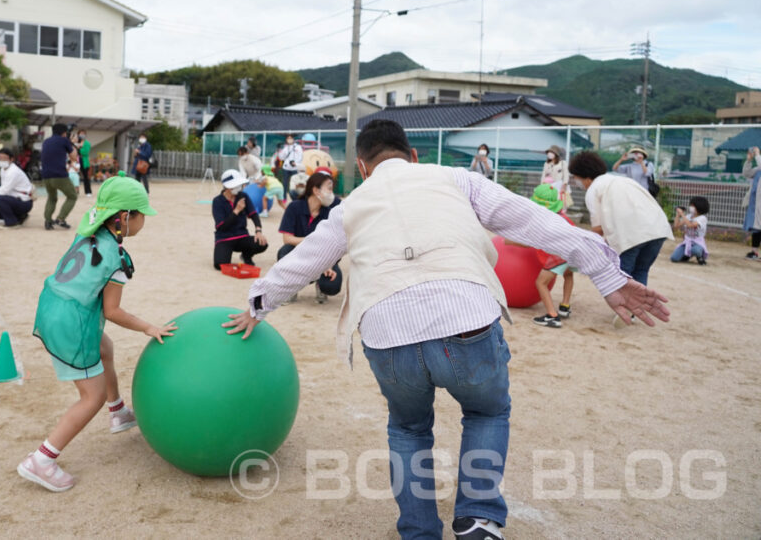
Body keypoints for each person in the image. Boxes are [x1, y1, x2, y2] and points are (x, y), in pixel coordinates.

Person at [223, 119, 670, 539]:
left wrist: (257, 306)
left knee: (408, 428)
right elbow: (535, 220)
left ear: (361, 166)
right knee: (487, 411)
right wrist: (607, 275)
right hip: (465, 317)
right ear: (414, 155)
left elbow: (304, 262)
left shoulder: (351, 206)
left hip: (386, 328)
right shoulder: (457, 178)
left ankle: (418, 531)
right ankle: (478, 517)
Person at [18, 175, 176, 493]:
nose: (145, 219)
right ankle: (42, 460)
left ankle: (117, 412)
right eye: (141, 213)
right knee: (92, 397)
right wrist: (149, 327)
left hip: (52, 307)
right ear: (125, 218)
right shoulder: (117, 259)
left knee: (105, 347)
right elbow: (112, 311)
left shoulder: (89, 229)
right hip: (71, 322)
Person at [569, 150, 672, 285]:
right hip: (658, 229)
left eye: (576, 178)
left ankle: (631, 306)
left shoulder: (594, 189)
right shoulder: (623, 180)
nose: (576, 182)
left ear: (586, 177)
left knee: (622, 278)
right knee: (640, 271)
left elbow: (598, 230)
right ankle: (639, 306)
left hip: (632, 235)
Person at [277, 170, 342, 304]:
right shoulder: (294, 207)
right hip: (299, 253)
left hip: (323, 254)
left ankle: (320, 285)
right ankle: (291, 287)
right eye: (329, 189)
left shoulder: (330, 212)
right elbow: (287, 239)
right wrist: (311, 241)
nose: (332, 194)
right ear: (316, 191)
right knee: (284, 252)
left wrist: (327, 264)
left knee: (332, 285)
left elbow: (333, 244)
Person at [525, 185, 577, 328]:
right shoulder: (564, 218)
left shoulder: (543, 222)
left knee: (541, 283)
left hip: (558, 257)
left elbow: (528, 241)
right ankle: (565, 307)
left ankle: (552, 316)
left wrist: (508, 241)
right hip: (572, 253)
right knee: (568, 275)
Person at [212, 169, 268, 270]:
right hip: (224, 238)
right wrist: (236, 210)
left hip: (242, 236)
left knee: (262, 243)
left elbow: (254, 214)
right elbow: (222, 227)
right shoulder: (217, 201)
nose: (240, 187)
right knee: (220, 265)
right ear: (228, 187)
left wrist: (258, 231)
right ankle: (225, 253)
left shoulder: (243, 196)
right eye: (237, 185)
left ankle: (246, 256)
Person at [41, 123, 78, 231]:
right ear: (64, 132)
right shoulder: (64, 141)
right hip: (59, 175)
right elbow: (74, 157)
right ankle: (60, 219)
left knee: (52, 198)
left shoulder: (46, 141)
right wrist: (72, 144)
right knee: (72, 196)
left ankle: (48, 221)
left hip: (46, 175)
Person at [0, 147, 34, 229]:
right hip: (15, 198)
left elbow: (4, 190)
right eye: (0, 158)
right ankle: (20, 217)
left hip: (24, 201)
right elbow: (5, 188)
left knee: (0, 198)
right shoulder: (3, 170)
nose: (2, 161)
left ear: (11, 159)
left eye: (4, 159)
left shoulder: (13, 171)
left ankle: (12, 223)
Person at [670, 196, 710, 265]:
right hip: (687, 241)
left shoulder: (702, 218)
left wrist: (682, 214)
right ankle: (686, 255)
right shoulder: (689, 216)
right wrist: (678, 214)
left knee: (696, 250)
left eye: (693, 206)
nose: (691, 207)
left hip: (698, 242)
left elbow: (690, 225)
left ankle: (700, 257)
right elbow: (676, 226)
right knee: (674, 258)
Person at [741, 146, 760, 260]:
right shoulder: (758, 169)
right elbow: (746, 173)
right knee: (756, 228)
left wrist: (757, 155)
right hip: (755, 202)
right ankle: (754, 252)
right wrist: (749, 160)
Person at [276, 134, 303, 200]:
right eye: (288, 138)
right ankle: (284, 198)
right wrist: (279, 151)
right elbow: (281, 157)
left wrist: (295, 163)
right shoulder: (285, 148)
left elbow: (300, 156)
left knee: (295, 183)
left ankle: (296, 197)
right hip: (286, 168)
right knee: (285, 183)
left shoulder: (298, 147)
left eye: (290, 138)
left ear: (293, 139)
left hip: (295, 168)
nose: (289, 140)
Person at [75, 129, 93, 197]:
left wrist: (78, 148)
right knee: (75, 176)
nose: (81, 135)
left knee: (86, 177)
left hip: (84, 161)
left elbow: (85, 152)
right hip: (76, 161)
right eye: (80, 133)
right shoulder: (76, 142)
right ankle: (75, 191)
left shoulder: (87, 143)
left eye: (83, 133)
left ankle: (88, 191)